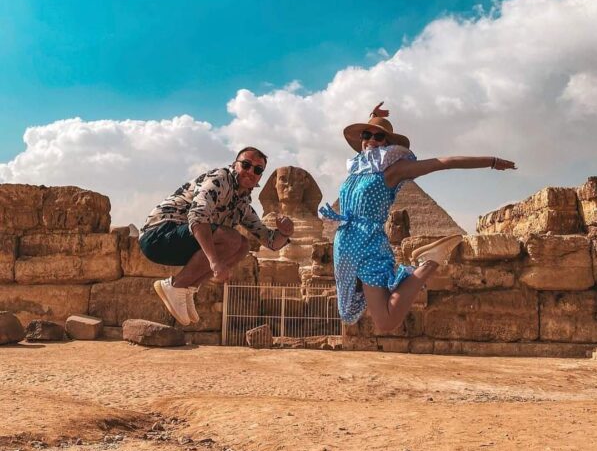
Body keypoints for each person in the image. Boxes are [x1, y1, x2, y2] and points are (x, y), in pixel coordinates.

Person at [320, 102, 516, 332]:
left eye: (379, 136)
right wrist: (373, 119)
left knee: (385, 322)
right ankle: (426, 261)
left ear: (388, 144)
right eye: (367, 134)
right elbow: (369, 144)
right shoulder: (357, 170)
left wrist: (490, 161)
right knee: (348, 313)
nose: (371, 139)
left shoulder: (394, 170)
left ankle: (428, 263)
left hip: (368, 245)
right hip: (345, 244)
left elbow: (442, 163)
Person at [139, 147, 294, 326]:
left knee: (243, 245)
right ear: (235, 165)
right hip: (158, 234)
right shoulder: (219, 180)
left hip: (178, 240)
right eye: (246, 165)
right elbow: (197, 218)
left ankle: (187, 289)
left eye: (258, 170)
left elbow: (271, 242)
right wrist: (214, 262)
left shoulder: (242, 204)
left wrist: (284, 232)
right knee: (232, 238)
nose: (251, 171)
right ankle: (176, 286)